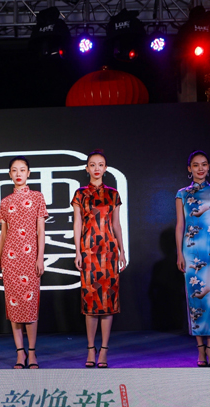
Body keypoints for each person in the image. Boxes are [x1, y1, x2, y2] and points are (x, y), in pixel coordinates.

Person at [71, 150, 126, 368]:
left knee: (108, 301)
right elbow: (77, 224)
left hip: (109, 251)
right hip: (88, 251)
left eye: (100, 164)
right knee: (91, 301)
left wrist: (122, 250)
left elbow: (116, 224)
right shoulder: (80, 194)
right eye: (92, 165)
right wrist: (77, 251)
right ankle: (90, 349)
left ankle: (104, 350)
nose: (96, 168)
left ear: (105, 168)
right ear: (87, 169)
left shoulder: (113, 194)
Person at [0, 156, 48, 369]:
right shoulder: (5, 201)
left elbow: (41, 230)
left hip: (30, 257)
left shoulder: (37, 197)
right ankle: (19, 353)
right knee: (14, 307)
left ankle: (32, 353)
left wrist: (40, 257)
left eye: (22, 170)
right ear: (10, 174)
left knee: (30, 307)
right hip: (10, 259)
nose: (18, 174)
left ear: (28, 173)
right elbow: (3, 234)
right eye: (14, 170)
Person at [175, 150, 210, 367]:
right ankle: (200, 350)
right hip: (191, 251)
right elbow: (180, 225)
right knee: (195, 299)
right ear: (189, 169)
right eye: (196, 165)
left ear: (208, 167)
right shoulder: (182, 194)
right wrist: (179, 253)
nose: (200, 168)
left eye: (204, 164)